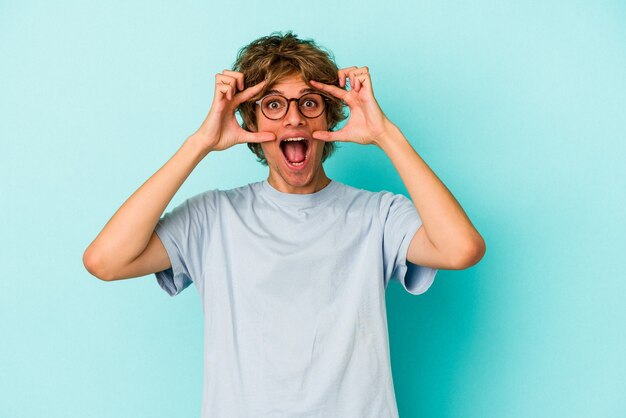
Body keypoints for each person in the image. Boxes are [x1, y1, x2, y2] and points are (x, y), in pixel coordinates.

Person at [83, 31, 485, 418]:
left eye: (308, 103)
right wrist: (200, 143)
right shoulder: (212, 217)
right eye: (273, 105)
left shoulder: (378, 215)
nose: (293, 119)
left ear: (330, 114)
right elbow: (106, 261)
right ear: (251, 123)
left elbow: (461, 249)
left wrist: (386, 135)